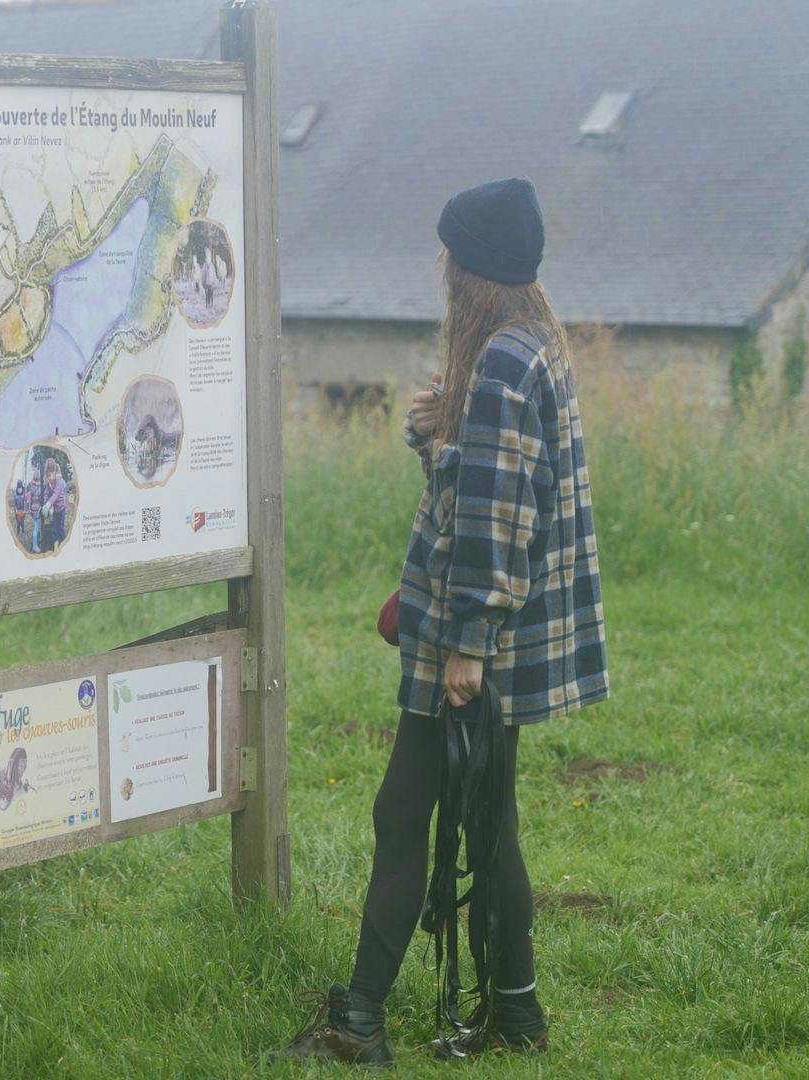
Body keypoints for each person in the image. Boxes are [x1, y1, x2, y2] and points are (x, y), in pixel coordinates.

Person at [269, 177, 607, 1067]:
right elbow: (483, 487)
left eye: (449, 253)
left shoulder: (498, 361)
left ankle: (360, 1024)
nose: (440, 266)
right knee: (488, 822)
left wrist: (466, 645)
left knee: (402, 814)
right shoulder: (533, 345)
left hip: (466, 640)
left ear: (475, 269)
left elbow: (497, 513)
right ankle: (519, 1016)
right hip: (492, 634)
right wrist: (436, 438)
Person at [40, 457, 70, 551]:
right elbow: (47, 494)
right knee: (53, 528)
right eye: (47, 476)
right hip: (55, 509)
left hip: (61, 508)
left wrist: (49, 504)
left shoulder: (59, 481)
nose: (49, 478)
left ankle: (64, 544)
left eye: (50, 475)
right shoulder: (48, 482)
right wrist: (46, 505)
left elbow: (56, 494)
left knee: (60, 528)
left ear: (54, 472)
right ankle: (55, 544)